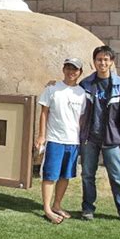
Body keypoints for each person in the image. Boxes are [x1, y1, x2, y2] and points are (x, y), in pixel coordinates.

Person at [79, 45, 120, 226]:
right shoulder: (86, 84)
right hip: (90, 139)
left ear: (111, 62)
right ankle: (88, 208)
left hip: (112, 140)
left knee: (117, 176)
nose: (102, 62)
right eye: (99, 59)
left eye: (106, 59)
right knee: (88, 175)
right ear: (94, 62)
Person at [35, 58, 86, 224]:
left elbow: (81, 118)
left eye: (75, 69)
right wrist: (42, 135)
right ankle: (47, 208)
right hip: (55, 140)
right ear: (63, 69)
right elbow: (44, 112)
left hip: (73, 141)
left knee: (65, 175)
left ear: (80, 72)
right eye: (69, 68)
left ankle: (57, 205)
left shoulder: (82, 93)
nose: (72, 72)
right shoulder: (52, 89)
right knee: (50, 175)